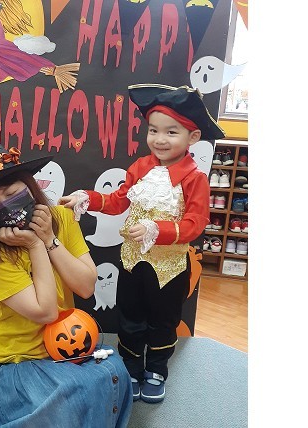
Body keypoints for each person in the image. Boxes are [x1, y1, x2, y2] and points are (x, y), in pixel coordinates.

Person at [0, 97, 132, 427]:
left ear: (29, 184)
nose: (5, 204)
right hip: (11, 362)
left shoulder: (62, 218)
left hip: (60, 348)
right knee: (71, 400)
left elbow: (85, 286)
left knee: (113, 374)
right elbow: (46, 312)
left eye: (11, 192)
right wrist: (35, 245)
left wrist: (49, 239)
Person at [59, 84, 226, 403]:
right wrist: (87, 198)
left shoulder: (195, 179)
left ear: (192, 137)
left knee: (163, 322)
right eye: (153, 130)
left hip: (169, 269)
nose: (160, 139)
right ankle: (132, 368)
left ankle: (157, 370)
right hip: (132, 262)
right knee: (131, 318)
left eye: (171, 132)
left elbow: (195, 223)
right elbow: (118, 201)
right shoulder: (139, 168)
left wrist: (156, 229)